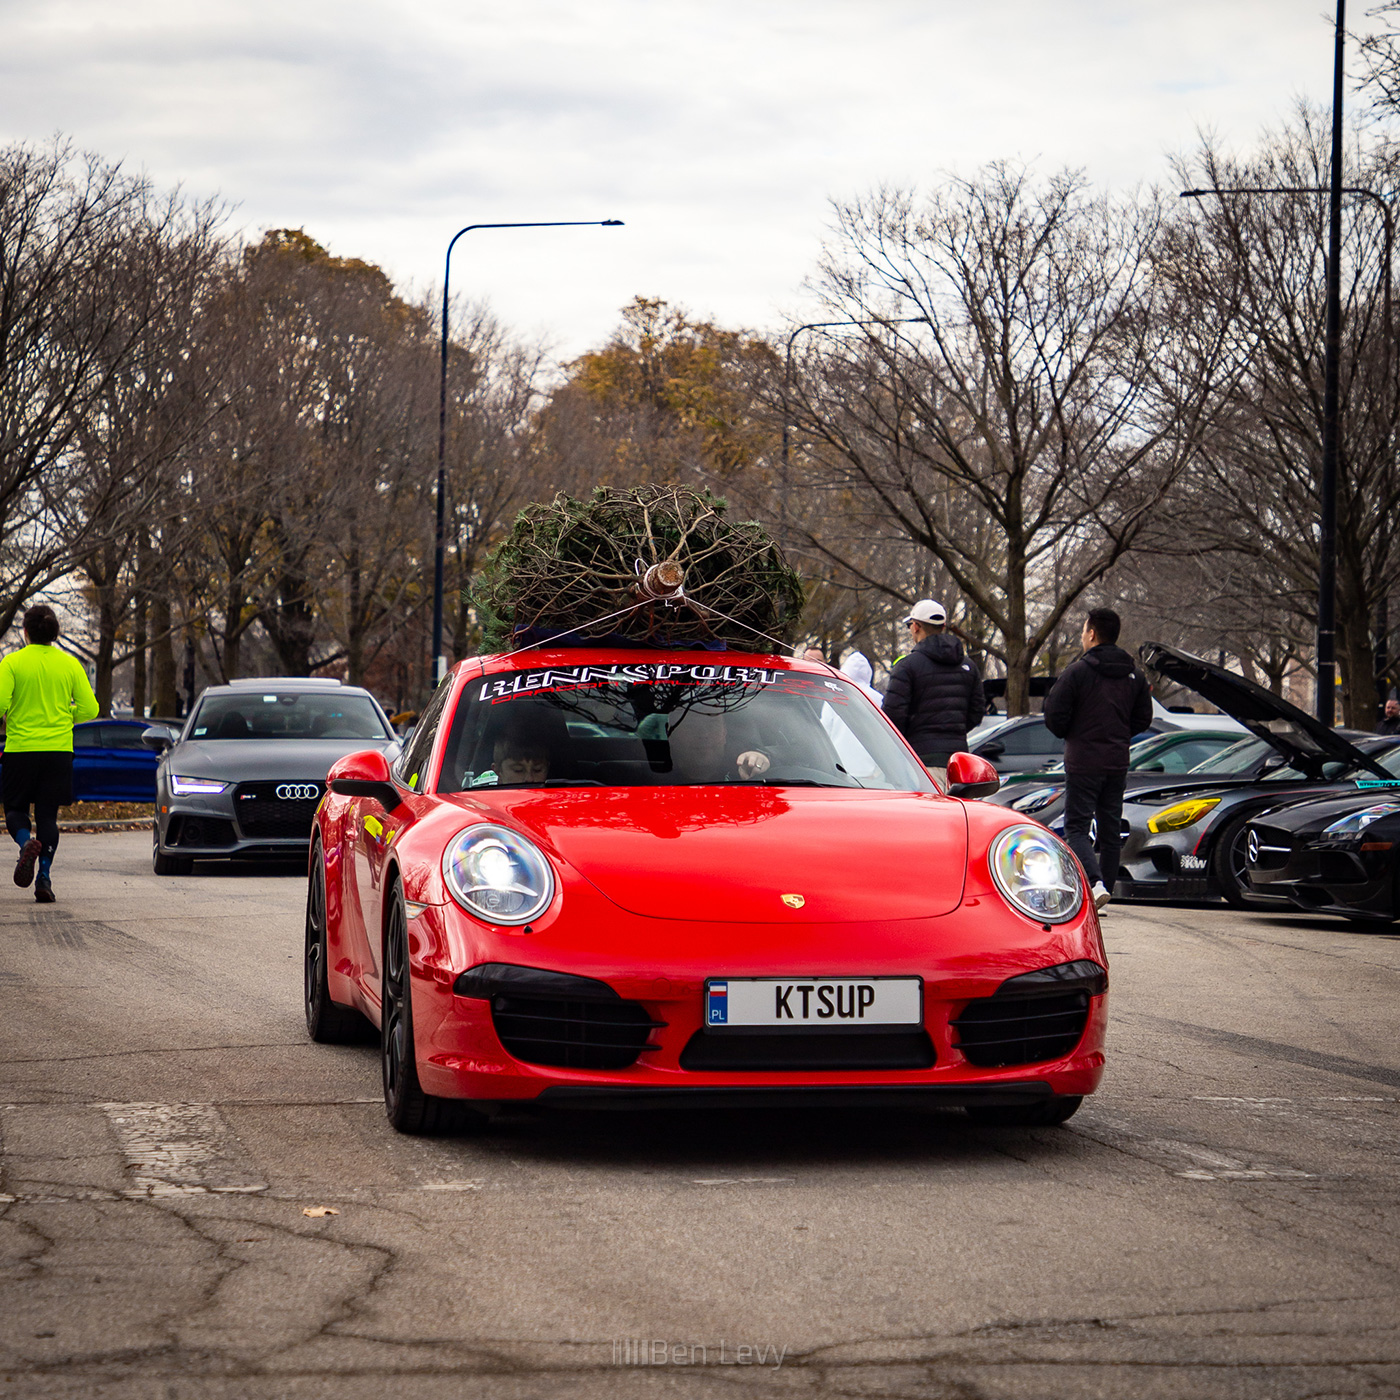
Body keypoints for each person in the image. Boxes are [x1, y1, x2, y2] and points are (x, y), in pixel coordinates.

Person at [1042, 607, 1152, 913]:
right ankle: (1104, 889)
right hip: (1117, 761)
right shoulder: (1134, 676)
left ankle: (1094, 884)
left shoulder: (1078, 672)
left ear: (1091, 634)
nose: (1081, 636)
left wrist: (1072, 732)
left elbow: (1054, 713)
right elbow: (1144, 717)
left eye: (1083, 630)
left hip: (1083, 761)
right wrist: (1119, 733)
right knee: (1110, 830)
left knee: (1076, 827)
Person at [0, 605, 100, 903]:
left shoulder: (12, 663)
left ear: (26, 632)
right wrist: (65, 713)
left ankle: (24, 844)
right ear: (55, 633)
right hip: (58, 750)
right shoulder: (70, 665)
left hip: (21, 749)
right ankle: (43, 876)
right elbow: (90, 709)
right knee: (48, 816)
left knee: (15, 810)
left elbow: (0, 704)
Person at [882, 600, 985, 791]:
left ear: (916, 626)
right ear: (943, 627)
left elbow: (892, 716)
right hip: (958, 762)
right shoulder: (969, 666)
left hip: (920, 761)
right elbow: (977, 711)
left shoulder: (907, 666)